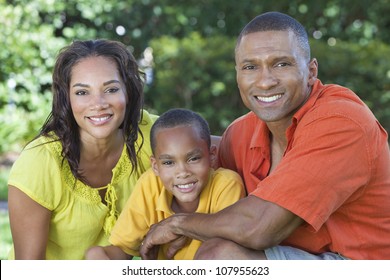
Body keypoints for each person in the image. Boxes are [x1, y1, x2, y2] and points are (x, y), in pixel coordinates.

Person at [140, 12, 390, 260]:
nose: (265, 81)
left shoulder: (341, 121)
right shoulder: (242, 132)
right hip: (298, 256)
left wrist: (178, 225)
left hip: (363, 264)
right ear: (237, 75)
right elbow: (192, 157)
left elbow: (258, 228)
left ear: (311, 71)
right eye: (250, 67)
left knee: (221, 257)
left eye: (281, 64)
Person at [7, 39, 158, 259]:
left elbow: (215, 148)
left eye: (111, 89)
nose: (98, 103)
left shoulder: (149, 133)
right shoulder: (40, 162)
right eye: (82, 92)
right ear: (66, 98)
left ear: (129, 91)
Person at [85, 108, 245, 260]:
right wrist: (101, 256)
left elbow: (226, 244)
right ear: (155, 166)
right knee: (95, 254)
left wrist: (180, 229)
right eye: (169, 162)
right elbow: (122, 249)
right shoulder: (151, 184)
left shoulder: (227, 184)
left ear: (211, 156)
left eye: (193, 159)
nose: (182, 172)